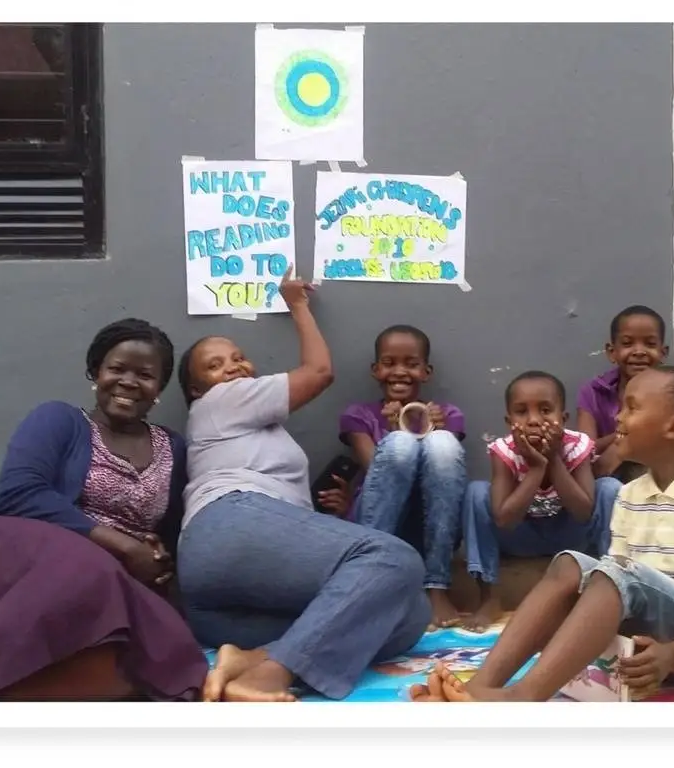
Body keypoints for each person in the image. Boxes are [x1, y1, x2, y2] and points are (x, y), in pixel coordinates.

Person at [0, 319, 209, 702]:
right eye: (116, 369)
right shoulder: (60, 420)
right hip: (1, 561)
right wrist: (124, 547)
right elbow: (20, 493)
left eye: (145, 374)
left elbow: (172, 532)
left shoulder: (173, 448)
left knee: (140, 670)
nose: (129, 381)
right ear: (95, 373)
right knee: (85, 567)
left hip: (96, 594)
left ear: (159, 388)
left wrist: (156, 557)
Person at [413, 366, 674, 702]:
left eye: (631, 407)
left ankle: (522, 697)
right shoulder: (631, 495)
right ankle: (478, 689)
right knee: (570, 564)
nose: (617, 418)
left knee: (619, 573)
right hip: (652, 648)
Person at [176, 269, 431, 703]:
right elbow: (318, 371)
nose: (234, 367)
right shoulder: (220, 402)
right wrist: (296, 303)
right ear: (197, 390)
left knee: (407, 615)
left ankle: (248, 660)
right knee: (392, 557)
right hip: (229, 523)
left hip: (223, 605)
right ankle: (269, 677)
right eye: (215, 365)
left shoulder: (248, 425)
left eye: (238, 356)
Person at [461, 370, 621, 632]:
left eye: (546, 410)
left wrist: (554, 459)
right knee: (477, 492)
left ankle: (609, 591)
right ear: (508, 420)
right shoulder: (504, 451)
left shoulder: (577, 445)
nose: (534, 420)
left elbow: (584, 512)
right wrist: (536, 468)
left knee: (609, 489)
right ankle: (489, 596)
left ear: (563, 418)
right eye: (521, 412)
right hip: (521, 537)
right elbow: (503, 518)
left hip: (572, 537)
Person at [334, 324, 467, 630]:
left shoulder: (446, 414)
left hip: (426, 523)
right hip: (380, 521)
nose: (400, 372)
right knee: (399, 444)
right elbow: (376, 469)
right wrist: (397, 430)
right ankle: (370, 581)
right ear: (375, 369)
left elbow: (441, 480)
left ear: (427, 371)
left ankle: (436, 586)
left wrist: (432, 427)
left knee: (442, 443)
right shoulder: (358, 415)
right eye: (389, 363)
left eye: (412, 363)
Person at [577, 305, 669, 482]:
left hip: (653, 472)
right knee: (607, 485)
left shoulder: (672, 393)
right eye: (627, 343)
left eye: (650, 344)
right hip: (606, 479)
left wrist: (621, 445)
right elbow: (584, 451)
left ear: (663, 353)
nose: (639, 351)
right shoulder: (592, 392)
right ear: (612, 352)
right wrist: (622, 435)